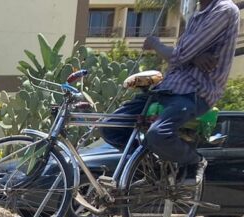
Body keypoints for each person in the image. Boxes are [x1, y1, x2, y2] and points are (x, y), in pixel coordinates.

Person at [100, 0, 239, 178]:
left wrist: (155, 43)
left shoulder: (224, 9)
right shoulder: (197, 16)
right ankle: (151, 167)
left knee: (158, 134)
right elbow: (183, 55)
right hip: (165, 88)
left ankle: (194, 161)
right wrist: (192, 58)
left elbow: (180, 54)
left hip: (193, 92)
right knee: (110, 127)